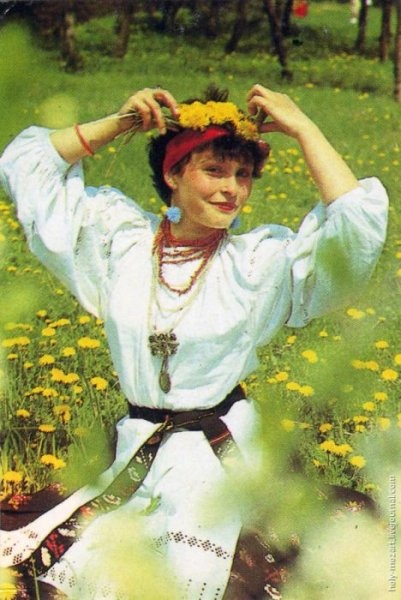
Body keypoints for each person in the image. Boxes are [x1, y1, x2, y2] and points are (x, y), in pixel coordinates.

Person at [0, 84, 388, 599]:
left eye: (243, 175)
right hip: (138, 446)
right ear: (173, 174)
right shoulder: (120, 243)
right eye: (214, 170)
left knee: (197, 570)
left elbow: (356, 229)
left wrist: (303, 128)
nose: (232, 189)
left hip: (218, 454)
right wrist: (119, 122)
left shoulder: (258, 264)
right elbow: (28, 165)